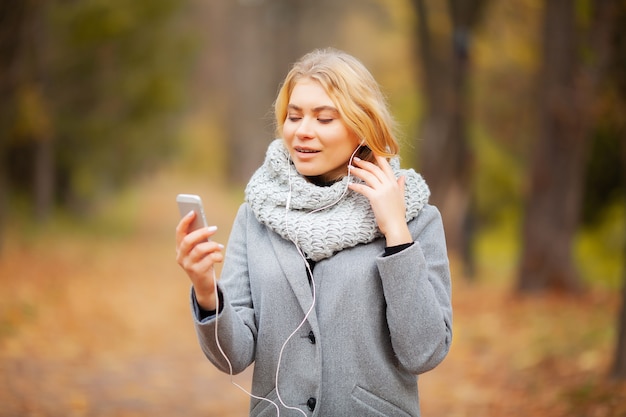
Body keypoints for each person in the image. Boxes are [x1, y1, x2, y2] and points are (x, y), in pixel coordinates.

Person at [175, 48, 452, 417]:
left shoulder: (416, 216)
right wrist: (207, 291)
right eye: (294, 116)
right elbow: (234, 357)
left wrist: (396, 231)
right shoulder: (257, 215)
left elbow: (425, 351)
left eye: (324, 119)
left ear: (361, 126)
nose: (302, 131)